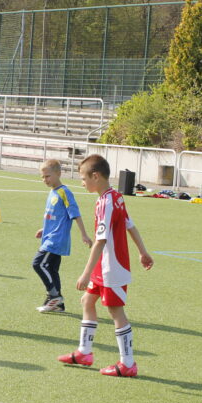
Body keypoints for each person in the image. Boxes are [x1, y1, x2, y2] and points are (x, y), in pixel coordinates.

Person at [58, 154, 153, 377]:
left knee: (115, 311)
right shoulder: (114, 197)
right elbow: (130, 225)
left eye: (83, 178)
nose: (82, 182)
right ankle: (84, 352)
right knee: (87, 300)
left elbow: (101, 240)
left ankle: (128, 363)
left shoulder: (108, 202)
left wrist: (85, 272)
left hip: (113, 267)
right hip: (104, 266)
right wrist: (143, 252)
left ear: (96, 176)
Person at [33, 159, 92, 313]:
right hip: (49, 236)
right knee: (52, 269)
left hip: (56, 240)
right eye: (43, 177)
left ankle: (54, 296)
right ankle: (58, 304)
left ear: (58, 174)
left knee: (38, 264)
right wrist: (44, 229)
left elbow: (75, 214)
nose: (44, 180)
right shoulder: (52, 192)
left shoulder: (64, 192)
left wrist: (84, 235)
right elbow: (56, 216)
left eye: (47, 176)